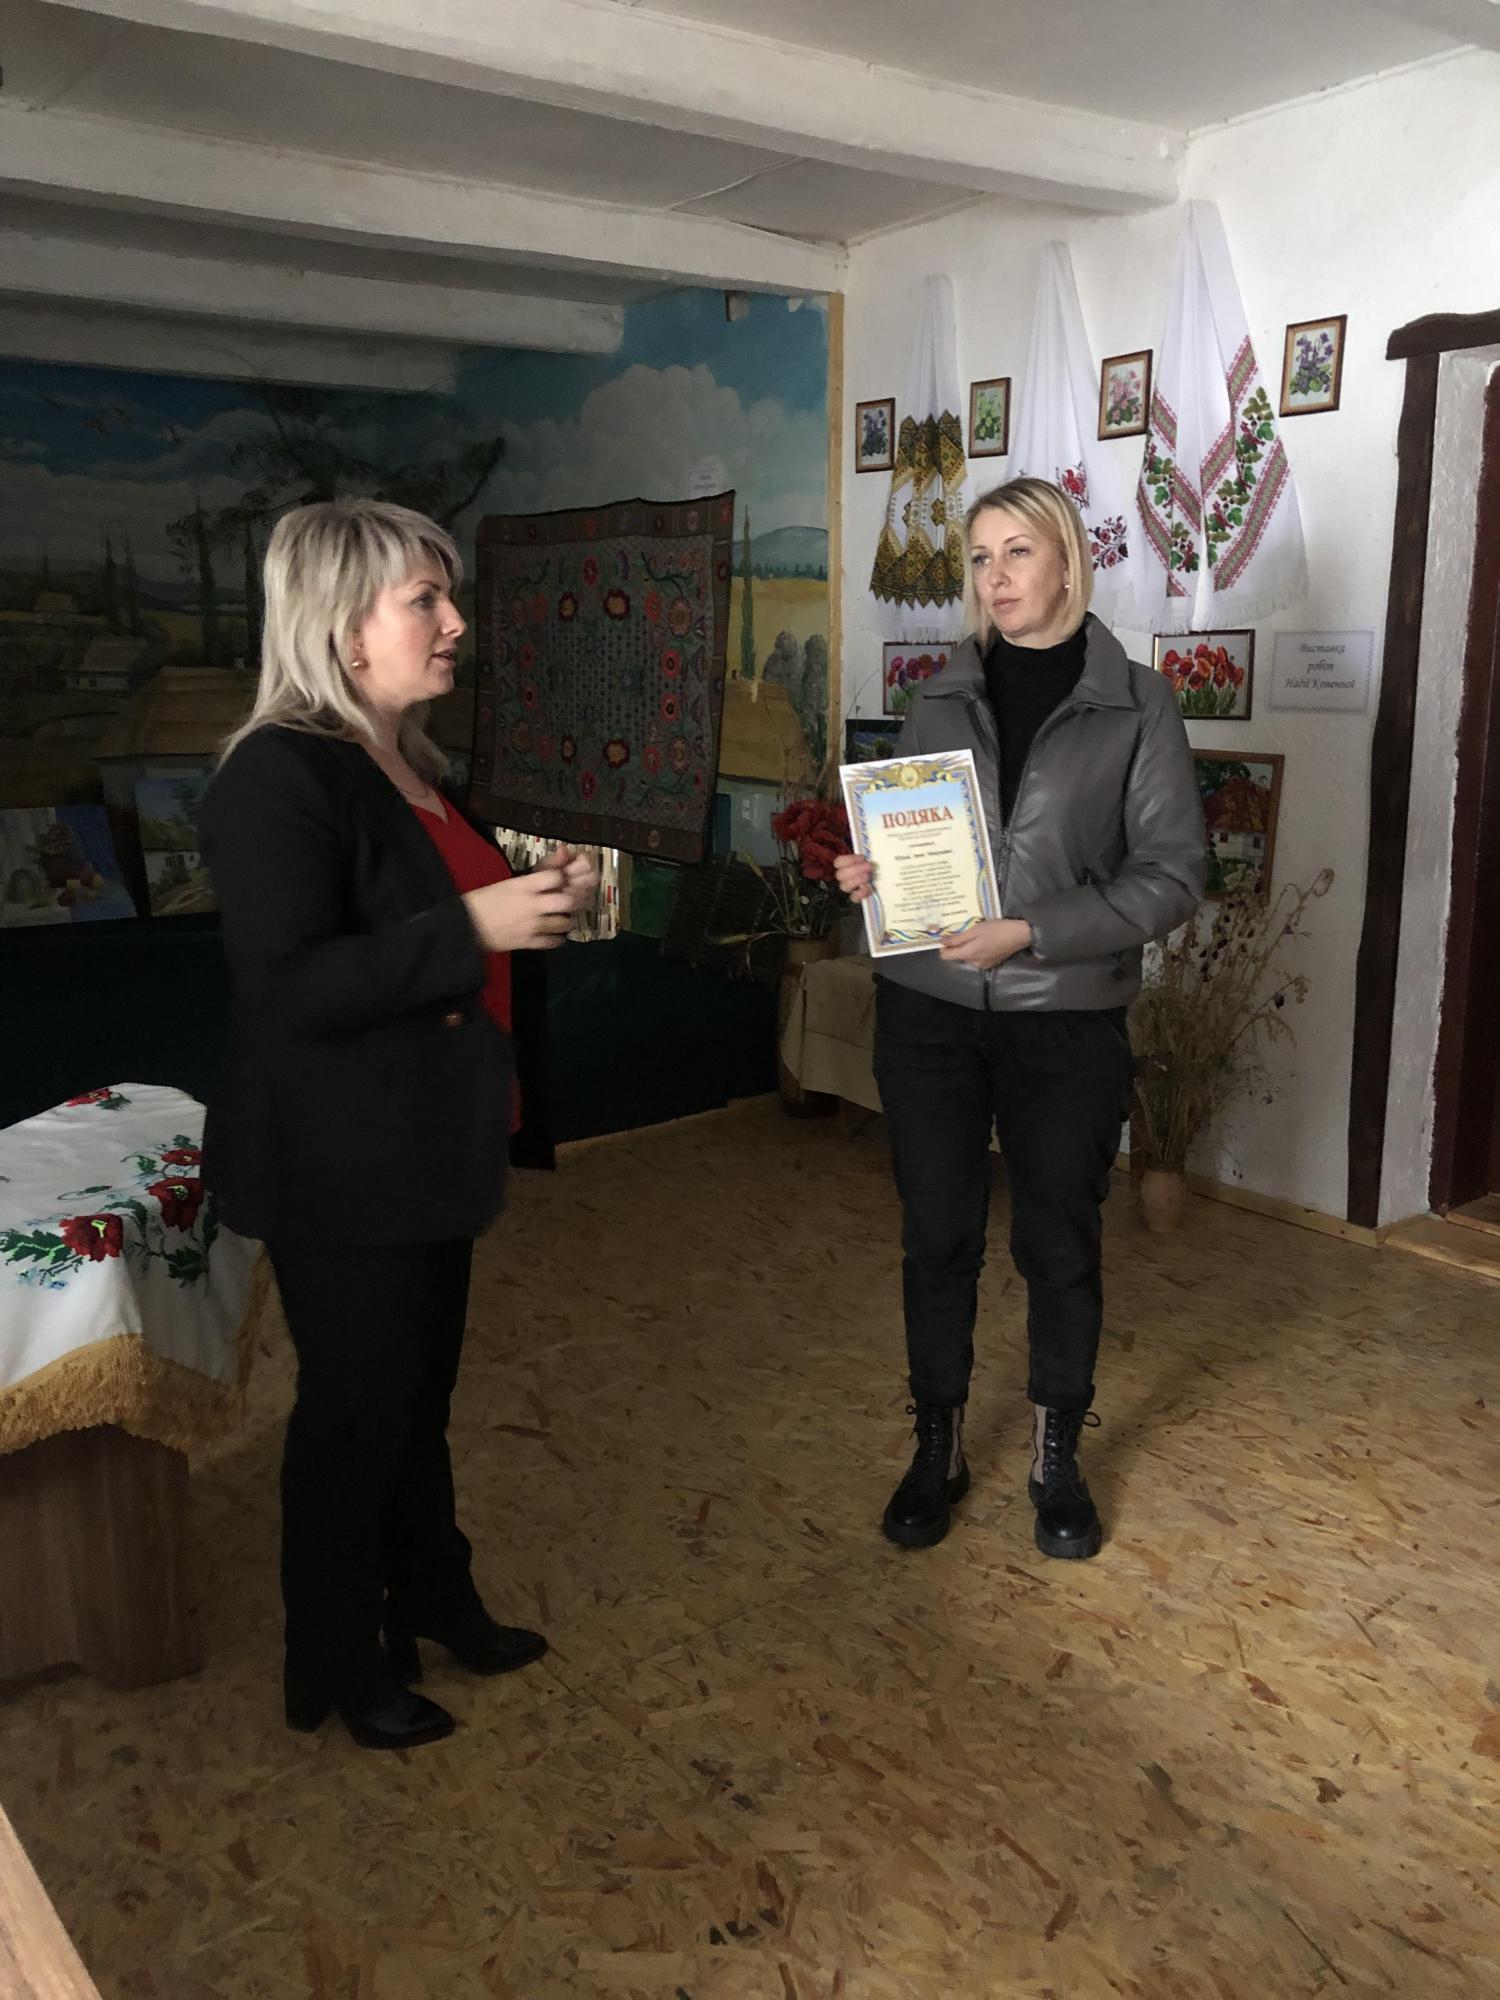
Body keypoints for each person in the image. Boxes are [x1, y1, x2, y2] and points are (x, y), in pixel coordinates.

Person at [200, 498, 596, 1750]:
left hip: (427, 1144)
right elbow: (288, 986)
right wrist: (475, 925)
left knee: (418, 1399)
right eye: (425, 598)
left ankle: (435, 1597)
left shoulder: (408, 761)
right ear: (341, 625)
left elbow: (431, 918)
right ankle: (338, 1658)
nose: (455, 620)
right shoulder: (275, 772)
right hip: (342, 1161)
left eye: (447, 594)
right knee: (356, 1411)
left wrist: (535, 896)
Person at [836, 477, 1205, 1558]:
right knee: (936, 1236)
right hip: (928, 1013)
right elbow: (917, 843)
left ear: (1067, 561)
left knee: (1059, 1243)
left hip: (1066, 1018)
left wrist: (1031, 930)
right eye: (980, 557)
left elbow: (1173, 876)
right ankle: (937, 1446)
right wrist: (869, 875)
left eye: (1018, 552)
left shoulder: (1140, 704)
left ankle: (1056, 1455)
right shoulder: (938, 696)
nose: (995, 577)